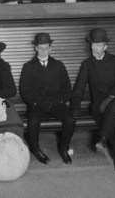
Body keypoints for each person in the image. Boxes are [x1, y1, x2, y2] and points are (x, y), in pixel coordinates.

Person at [70, 28, 115, 173]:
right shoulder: (87, 64)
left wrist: (110, 97)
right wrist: (75, 106)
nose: (95, 48)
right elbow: (79, 87)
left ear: (106, 46)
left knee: (112, 107)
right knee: (111, 115)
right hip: (99, 103)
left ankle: (105, 141)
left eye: (99, 45)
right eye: (93, 45)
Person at [19, 32, 75, 165]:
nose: (43, 51)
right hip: (37, 105)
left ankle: (63, 148)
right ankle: (36, 149)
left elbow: (66, 89)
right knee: (33, 122)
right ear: (35, 48)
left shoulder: (58, 65)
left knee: (70, 120)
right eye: (40, 47)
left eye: (46, 47)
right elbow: (25, 90)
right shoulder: (28, 67)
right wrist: (38, 103)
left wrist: (55, 102)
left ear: (50, 48)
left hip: (56, 103)